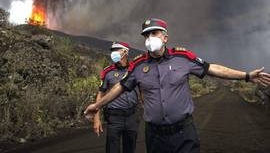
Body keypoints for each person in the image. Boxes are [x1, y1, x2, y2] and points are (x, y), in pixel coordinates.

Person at [84, 18, 270, 153]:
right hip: (155, 136)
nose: (150, 38)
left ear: (165, 37)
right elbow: (120, 87)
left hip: (184, 133)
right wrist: (97, 106)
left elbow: (212, 68)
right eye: (146, 35)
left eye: (154, 33)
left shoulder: (183, 58)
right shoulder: (138, 65)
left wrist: (246, 76)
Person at [88, 41, 140, 153]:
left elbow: (143, 90)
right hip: (114, 117)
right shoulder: (108, 72)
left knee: (130, 148)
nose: (113, 53)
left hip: (132, 116)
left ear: (126, 52)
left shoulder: (136, 70)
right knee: (112, 149)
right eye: (112, 51)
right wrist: (96, 119)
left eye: (117, 50)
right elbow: (100, 94)